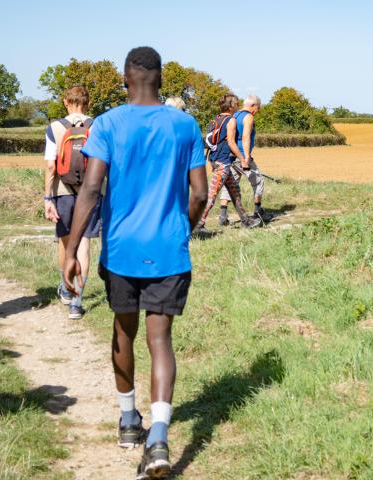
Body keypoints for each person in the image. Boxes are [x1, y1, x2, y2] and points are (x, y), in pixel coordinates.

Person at [63, 47, 208, 479]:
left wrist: (71, 250)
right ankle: (159, 437)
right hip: (169, 248)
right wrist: (184, 227)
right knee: (160, 340)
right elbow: (199, 193)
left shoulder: (107, 124)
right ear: (160, 79)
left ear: (126, 80)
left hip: (122, 248)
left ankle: (129, 421)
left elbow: (89, 189)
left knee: (123, 329)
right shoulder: (184, 124)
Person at [43, 86, 101, 320]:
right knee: (84, 244)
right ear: (87, 103)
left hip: (62, 190)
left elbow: (50, 165)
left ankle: (66, 288)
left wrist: (48, 197)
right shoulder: (98, 126)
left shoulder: (55, 128)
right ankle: (76, 302)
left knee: (66, 242)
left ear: (66, 102)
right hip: (92, 190)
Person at [194, 94, 261, 233]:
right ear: (231, 106)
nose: (237, 105)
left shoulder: (217, 118)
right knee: (212, 195)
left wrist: (212, 160)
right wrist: (243, 159)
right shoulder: (230, 121)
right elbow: (231, 143)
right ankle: (198, 225)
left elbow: (213, 142)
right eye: (236, 103)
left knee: (235, 192)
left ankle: (245, 220)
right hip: (223, 163)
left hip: (217, 160)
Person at [218, 94, 269, 224]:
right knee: (258, 182)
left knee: (230, 184)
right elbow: (246, 137)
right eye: (258, 107)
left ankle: (223, 216)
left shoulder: (234, 115)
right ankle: (258, 213)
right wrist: (246, 158)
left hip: (231, 156)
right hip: (242, 156)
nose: (258, 111)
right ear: (253, 105)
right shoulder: (248, 117)